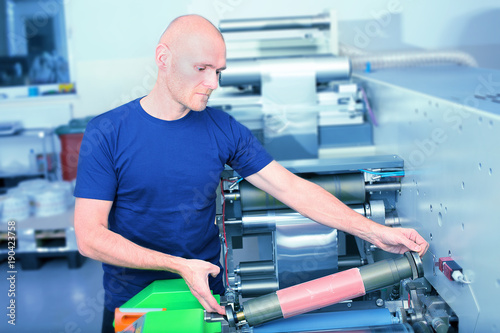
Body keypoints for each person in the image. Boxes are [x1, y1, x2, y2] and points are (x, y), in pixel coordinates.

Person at [73, 15, 429, 333]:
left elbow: (290, 188)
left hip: (207, 303)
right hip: (136, 306)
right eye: (202, 69)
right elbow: (89, 236)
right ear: (163, 58)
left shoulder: (222, 128)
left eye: (219, 71)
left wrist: (376, 232)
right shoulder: (107, 132)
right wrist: (178, 265)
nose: (214, 83)